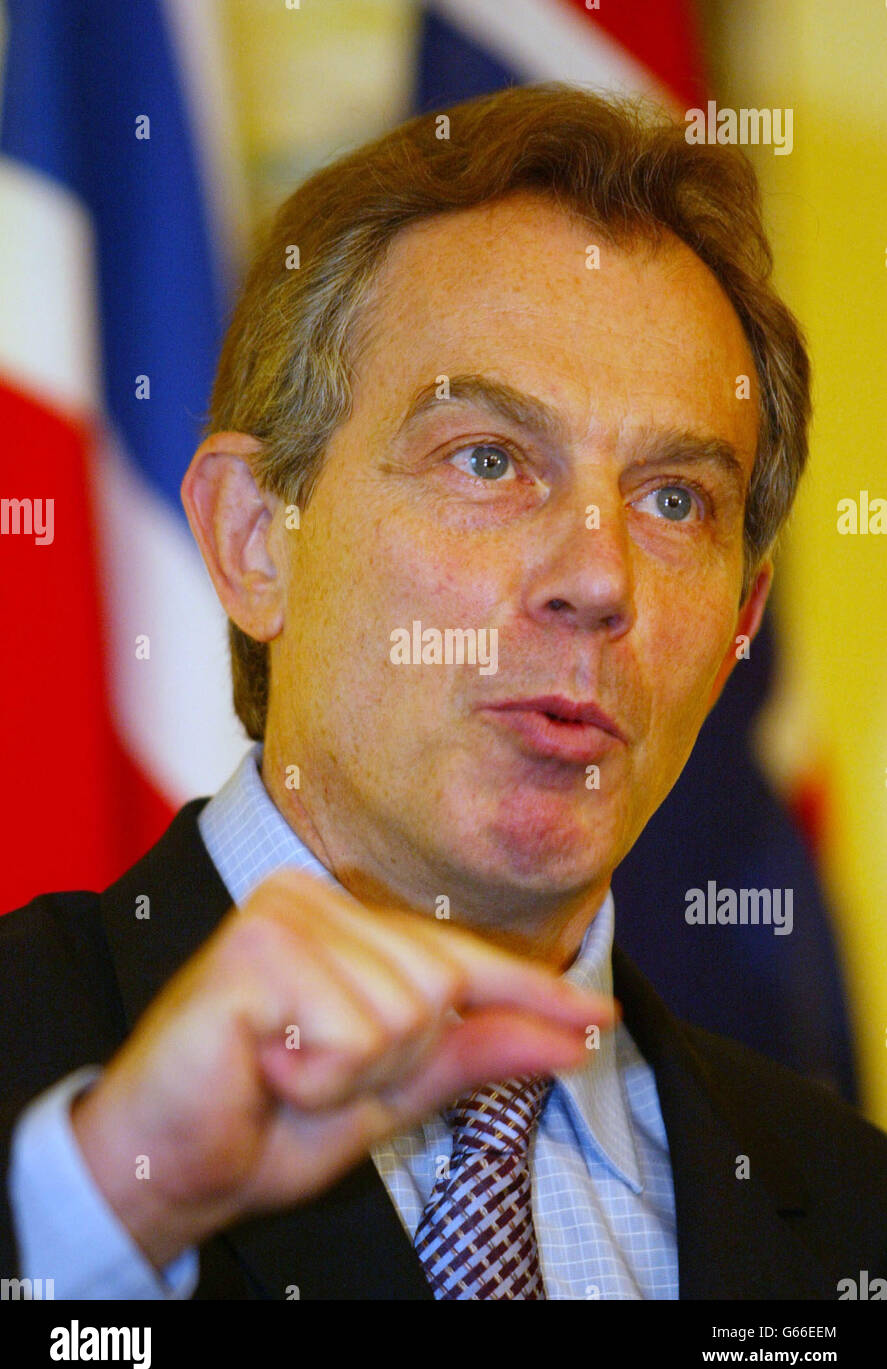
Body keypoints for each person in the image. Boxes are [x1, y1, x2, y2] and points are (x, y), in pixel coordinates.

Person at [2, 84, 886, 1302]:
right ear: (257, 540)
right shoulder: (45, 1087)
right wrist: (115, 1209)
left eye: (673, 498)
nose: (595, 576)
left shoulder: (849, 1211)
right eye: (488, 459)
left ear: (740, 621)